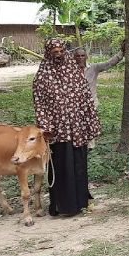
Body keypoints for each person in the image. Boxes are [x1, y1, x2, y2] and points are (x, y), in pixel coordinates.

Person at [32, 38, 101, 217]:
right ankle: (61, 206)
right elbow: (39, 103)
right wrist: (45, 127)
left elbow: (86, 98)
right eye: (54, 52)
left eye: (61, 51)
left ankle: (80, 203)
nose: (58, 55)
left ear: (65, 52)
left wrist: (89, 122)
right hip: (57, 132)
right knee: (61, 168)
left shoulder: (74, 72)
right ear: (48, 53)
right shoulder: (42, 76)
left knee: (78, 165)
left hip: (77, 129)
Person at [72, 41, 125, 149]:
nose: (80, 58)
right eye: (78, 56)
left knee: (90, 123)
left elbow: (109, 63)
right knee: (76, 124)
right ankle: (78, 144)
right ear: (74, 58)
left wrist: (122, 52)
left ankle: (90, 147)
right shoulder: (69, 71)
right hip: (74, 103)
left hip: (91, 102)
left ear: (86, 57)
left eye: (83, 56)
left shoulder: (93, 68)